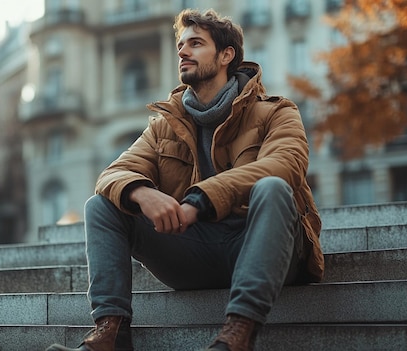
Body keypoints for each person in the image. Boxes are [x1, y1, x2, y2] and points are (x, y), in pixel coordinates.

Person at [46, 8, 323, 351]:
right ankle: (111, 332)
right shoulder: (165, 123)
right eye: (180, 44)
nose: (182, 51)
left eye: (195, 43)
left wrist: (200, 200)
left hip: (265, 244)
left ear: (226, 55)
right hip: (196, 252)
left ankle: (238, 332)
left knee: (273, 188)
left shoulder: (276, 111)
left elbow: (286, 165)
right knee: (103, 205)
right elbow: (113, 174)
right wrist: (142, 192)